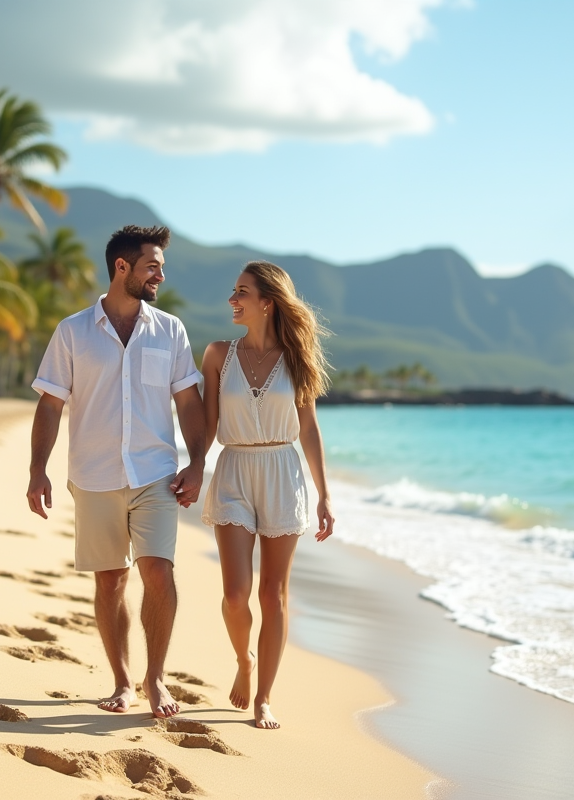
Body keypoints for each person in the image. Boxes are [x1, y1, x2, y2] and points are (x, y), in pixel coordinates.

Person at [27, 224, 206, 719]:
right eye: (152, 266)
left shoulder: (170, 330)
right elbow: (50, 405)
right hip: (94, 475)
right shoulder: (72, 331)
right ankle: (123, 682)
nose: (159, 276)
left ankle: (156, 679)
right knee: (110, 581)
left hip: (155, 474)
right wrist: (37, 470)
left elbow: (188, 401)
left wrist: (198, 461)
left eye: (161, 268)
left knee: (159, 571)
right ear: (121, 267)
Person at [200, 260, 335, 729]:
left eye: (242, 292)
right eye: (233, 291)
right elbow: (207, 424)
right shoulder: (218, 354)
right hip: (235, 468)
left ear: (267, 302)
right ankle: (244, 658)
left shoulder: (297, 359)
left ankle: (264, 699)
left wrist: (324, 494)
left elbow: (309, 428)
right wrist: (194, 467)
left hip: (283, 471)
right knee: (237, 595)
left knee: (272, 593)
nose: (233, 300)